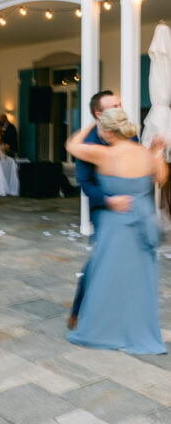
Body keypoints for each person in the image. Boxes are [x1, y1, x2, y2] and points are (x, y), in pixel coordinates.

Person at [65, 108, 168, 355]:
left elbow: (72, 145)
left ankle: (104, 330)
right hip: (143, 220)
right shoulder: (145, 153)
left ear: (108, 132)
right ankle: (136, 329)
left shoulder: (104, 154)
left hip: (116, 221)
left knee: (107, 276)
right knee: (139, 280)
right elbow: (162, 179)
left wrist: (93, 123)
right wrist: (157, 153)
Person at [68, 90, 137, 329]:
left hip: (132, 207)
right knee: (100, 261)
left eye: (120, 103)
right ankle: (78, 312)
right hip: (104, 210)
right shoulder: (88, 143)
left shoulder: (130, 134)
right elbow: (85, 183)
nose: (120, 107)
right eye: (114, 106)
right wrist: (110, 201)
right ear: (99, 114)